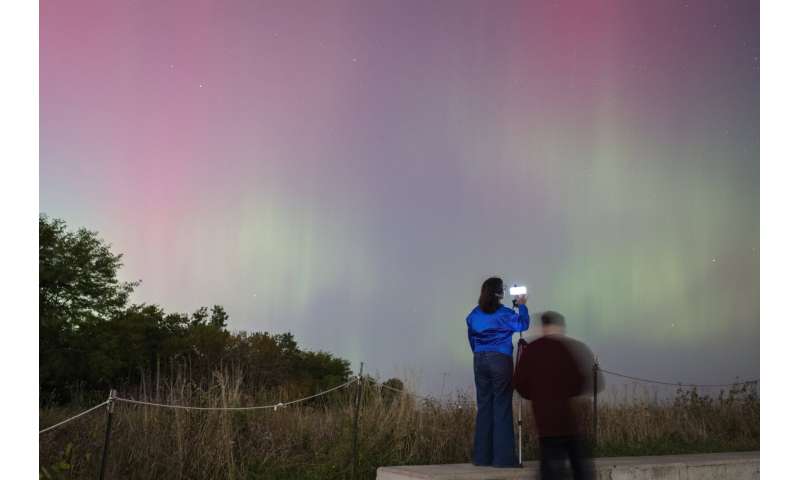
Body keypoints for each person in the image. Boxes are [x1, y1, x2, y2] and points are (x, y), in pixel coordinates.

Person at [512, 311, 602, 480]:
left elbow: (519, 383)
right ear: (559, 327)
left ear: (543, 327)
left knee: (549, 468)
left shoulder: (531, 350)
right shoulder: (569, 348)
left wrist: (537, 396)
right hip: (567, 420)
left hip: (544, 422)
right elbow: (582, 382)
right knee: (580, 468)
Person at [466, 277, 530, 468]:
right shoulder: (505, 314)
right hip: (500, 360)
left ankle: (482, 457)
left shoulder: (474, 315)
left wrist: (479, 352)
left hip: (479, 359)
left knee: (484, 406)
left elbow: (471, 336)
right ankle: (503, 459)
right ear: (500, 293)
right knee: (501, 406)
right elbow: (523, 324)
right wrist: (522, 305)